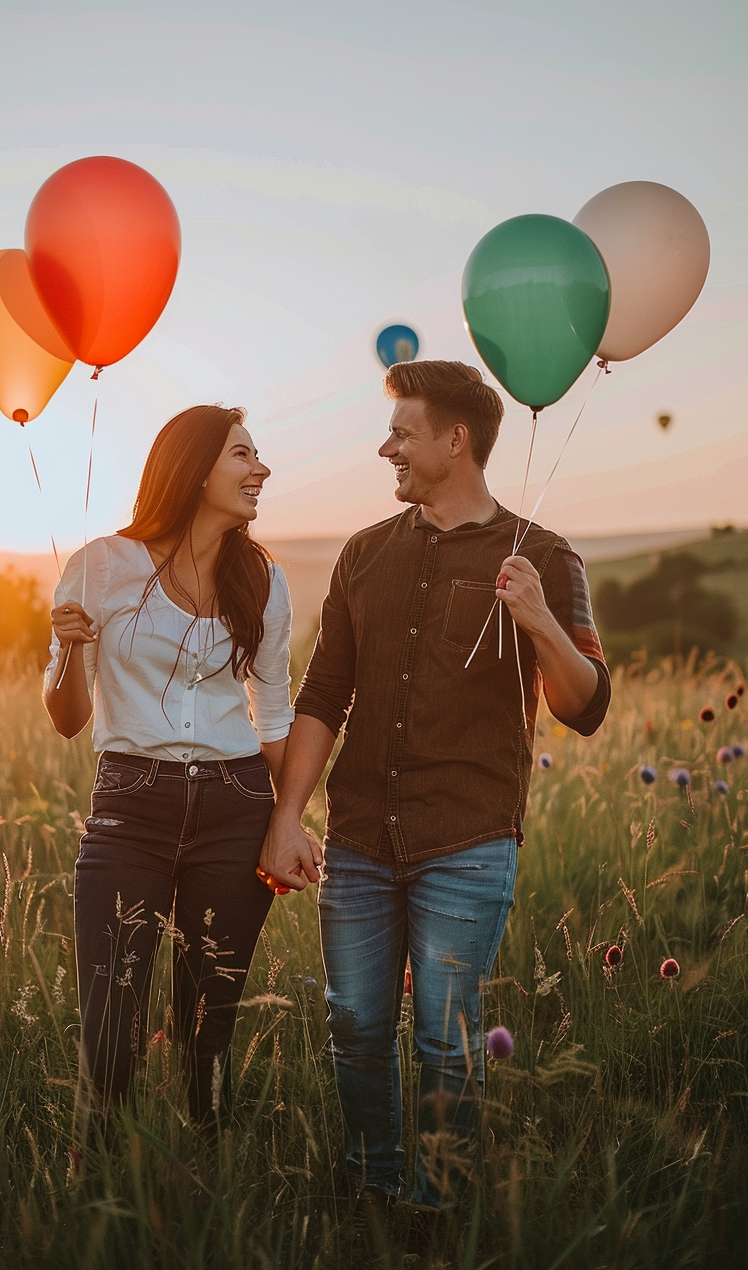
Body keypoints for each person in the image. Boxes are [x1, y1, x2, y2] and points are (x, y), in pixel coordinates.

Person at [260, 360, 610, 1229]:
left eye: (403, 433)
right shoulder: (363, 555)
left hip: (469, 839)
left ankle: (440, 1210)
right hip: (362, 840)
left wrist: (536, 623)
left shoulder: (546, 557)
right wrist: (287, 816)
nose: (389, 450)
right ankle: (374, 1190)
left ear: (456, 441)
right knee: (354, 1027)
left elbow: (588, 704)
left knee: (445, 1041)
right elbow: (322, 697)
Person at [43, 404, 294, 1136]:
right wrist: (70, 649)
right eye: (244, 455)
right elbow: (66, 718)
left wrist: (291, 819)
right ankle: (99, 1197)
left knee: (207, 1038)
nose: (261, 469)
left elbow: (273, 717)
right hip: (130, 809)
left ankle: (205, 1179)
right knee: (111, 1037)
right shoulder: (102, 566)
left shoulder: (263, 581)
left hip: (236, 803)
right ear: (194, 469)